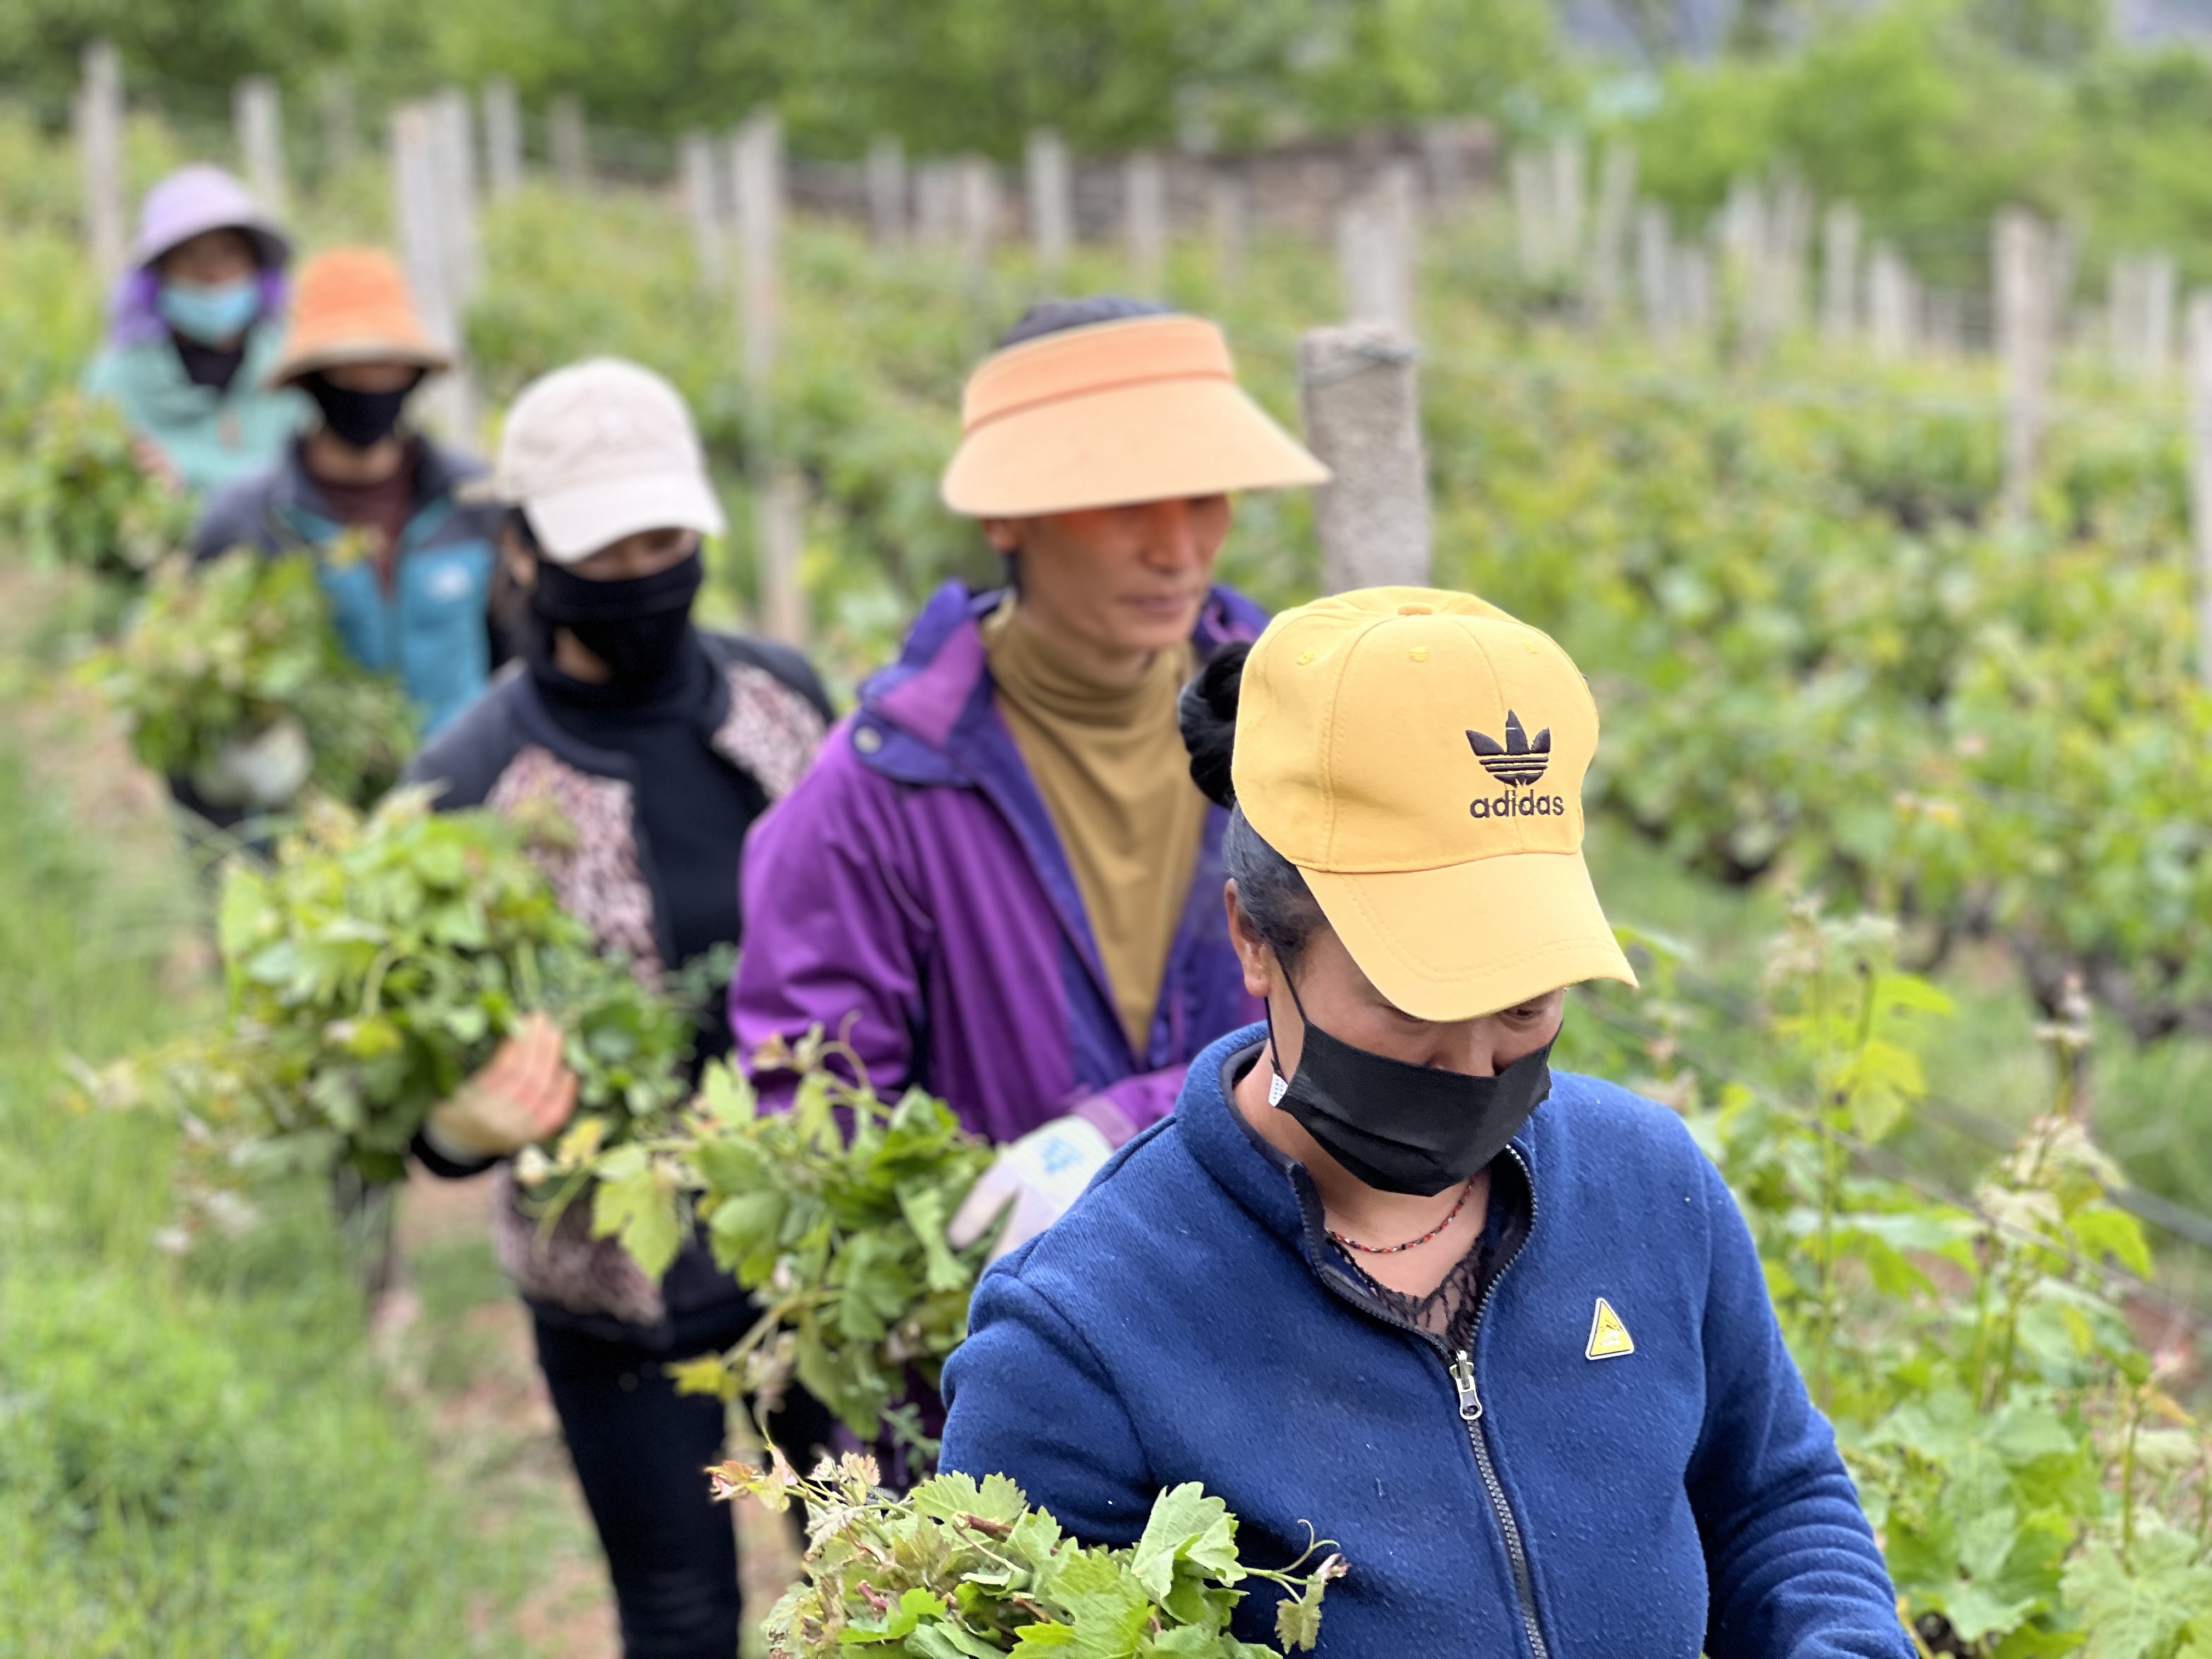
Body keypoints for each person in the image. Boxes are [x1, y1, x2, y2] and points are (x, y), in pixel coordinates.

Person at [937, 588, 1915, 1657]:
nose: (1475, 1058)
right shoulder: (1083, 1335)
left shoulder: (1648, 1186)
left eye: (1525, 1001)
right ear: (1255, 939)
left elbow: (1774, 1500)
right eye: (1416, 1001)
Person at [731, 297, 1328, 1261]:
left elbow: (1384, 1022)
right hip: (1012, 1315)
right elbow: (819, 1110)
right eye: (1127, 503)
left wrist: (1126, 1125)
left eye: (1203, 496)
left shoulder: (1299, 727)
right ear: (1005, 514)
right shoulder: (881, 792)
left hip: (1280, 1294)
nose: (1177, 549)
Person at [403, 358, 835, 1659]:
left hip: (821, 1257)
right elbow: (418, 1106)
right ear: (523, 551)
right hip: (610, 1289)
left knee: (873, 1582)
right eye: (606, 549)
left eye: (665, 541)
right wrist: (463, 1128)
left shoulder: (784, 705)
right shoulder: (470, 786)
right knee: (681, 1614)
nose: (643, 573)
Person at [194, 248, 504, 738]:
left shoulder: (474, 498)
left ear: (413, 373)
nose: (369, 384)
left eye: (386, 365)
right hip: (323, 781)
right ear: (310, 378)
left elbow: (516, 655)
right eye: (348, 368)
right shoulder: (249, 519)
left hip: (463, 779)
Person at [84, 163, 309, 499]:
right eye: (189, 256)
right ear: (158, 274)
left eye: (230, 252)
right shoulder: (118, 382)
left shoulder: (296, 365)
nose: (213, 273)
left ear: (256, 264)